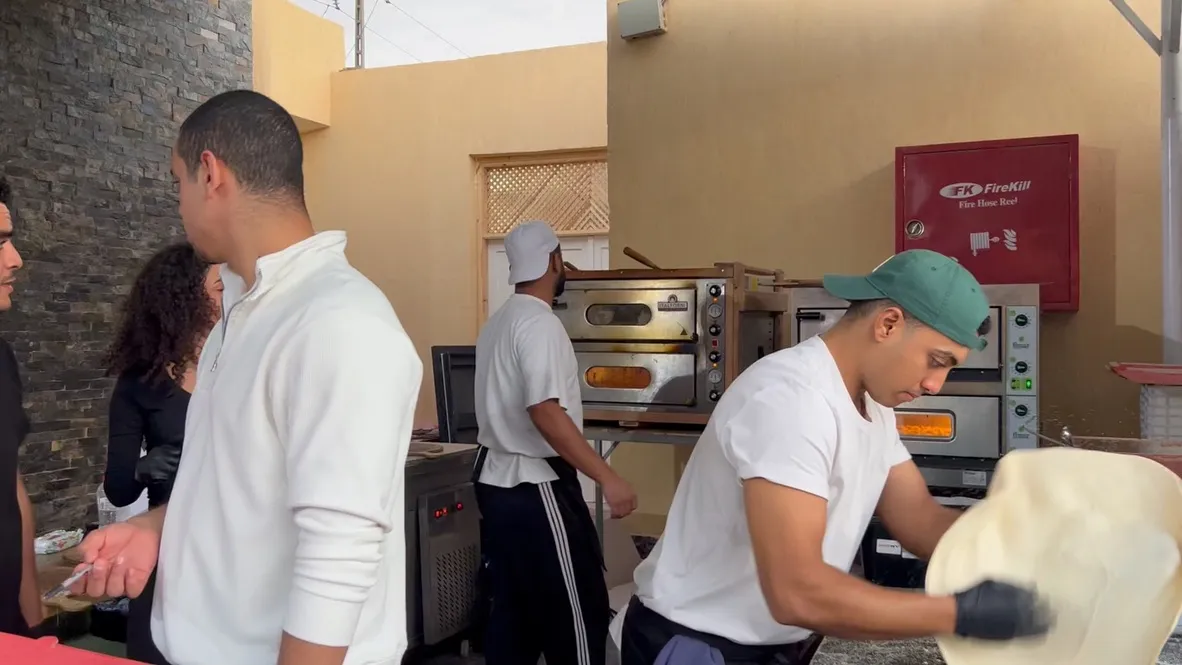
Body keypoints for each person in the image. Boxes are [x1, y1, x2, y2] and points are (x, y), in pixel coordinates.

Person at [71, 90, 423, 665]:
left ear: (210, 174)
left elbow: (338, 553)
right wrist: (159, 527)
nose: (179, 205)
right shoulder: (242, 312)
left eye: (178, 181)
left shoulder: (337, 322)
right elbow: (240, 486)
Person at [619, 250, 1051, 664]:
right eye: (936, 361)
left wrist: (1021, 547)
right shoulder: (792, 400)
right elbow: (797, 592)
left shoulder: (872, 406)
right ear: (888, 324)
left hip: (770, 640)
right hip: (699, 645)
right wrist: (960, 614)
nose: (937, 384)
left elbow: (918, 518)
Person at [473, 220, 639, 665]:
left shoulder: (499, 322)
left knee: (515, 615)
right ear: (554, 260)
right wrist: (608, 478)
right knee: (576, 616)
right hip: (536, 487)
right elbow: (545, 410)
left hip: (497, 486)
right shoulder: (539, 325)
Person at [103, 242, 222, 664]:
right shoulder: (140, 383)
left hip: (228, 549)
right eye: (217, 285)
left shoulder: (236, 365)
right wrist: (144, 467)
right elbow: (116, 490)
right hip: (166, 551)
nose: (227, 291)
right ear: (185, 298)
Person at [0, 176, 41, 638]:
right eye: (0, 245)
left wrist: (29, 605)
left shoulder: (3, 359)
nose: (16, 260)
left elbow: (10, 484)